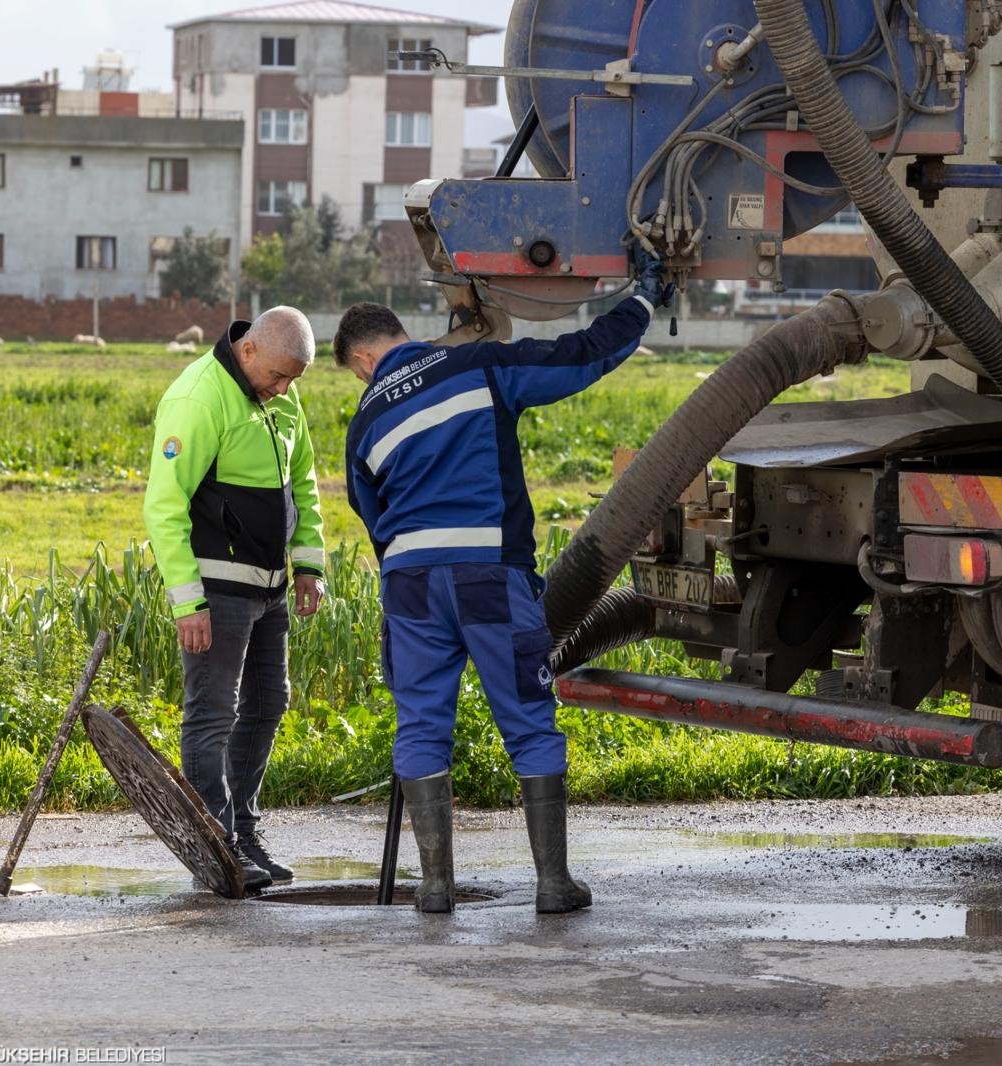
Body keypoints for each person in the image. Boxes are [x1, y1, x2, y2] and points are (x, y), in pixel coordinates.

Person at [333, 253, 674, 914]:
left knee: (422, 724)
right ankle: (552, 884)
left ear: (363, 361)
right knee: (525, 716)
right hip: (486, 574)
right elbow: (580, 357)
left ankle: (435, 888)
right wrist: (642, 302)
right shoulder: (475, 368)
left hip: (409, 585)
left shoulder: (364, 423)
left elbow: (371, 519)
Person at [143, 305, 327, 892]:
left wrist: (308, 564)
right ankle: (215, 850)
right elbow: (163, 507)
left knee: (270, 702)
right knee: (212, 714)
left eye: (293, 381)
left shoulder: (280, 392)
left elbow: (304, 481)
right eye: (277, 377)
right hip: (216, 587)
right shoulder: (197, 398)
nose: (284, 389)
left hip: (271, 584)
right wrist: (186, 602)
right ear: (248, 350)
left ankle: (242, 833)